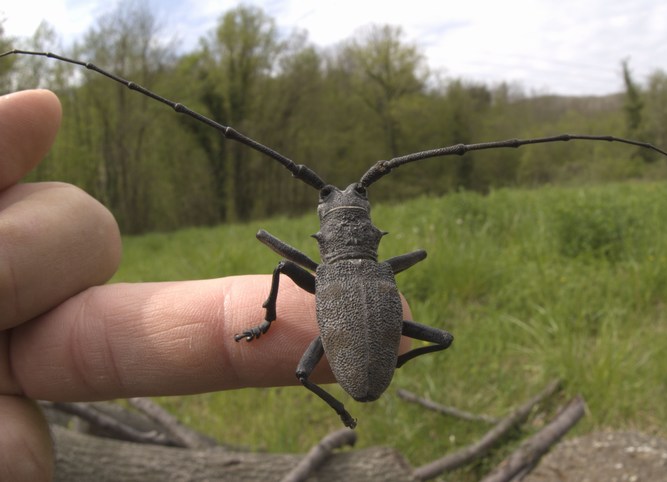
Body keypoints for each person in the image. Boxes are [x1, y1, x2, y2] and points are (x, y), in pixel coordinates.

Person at [0, 89, 412, 480]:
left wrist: (269, 322)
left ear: (327, 224)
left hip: (354, 335)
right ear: (366, 226)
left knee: (298, 343)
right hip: (370, 314)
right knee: (328, 356)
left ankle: (312, 374)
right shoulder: (385, 271)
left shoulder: (325, 272)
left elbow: (272, 251)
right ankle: (372, 369)